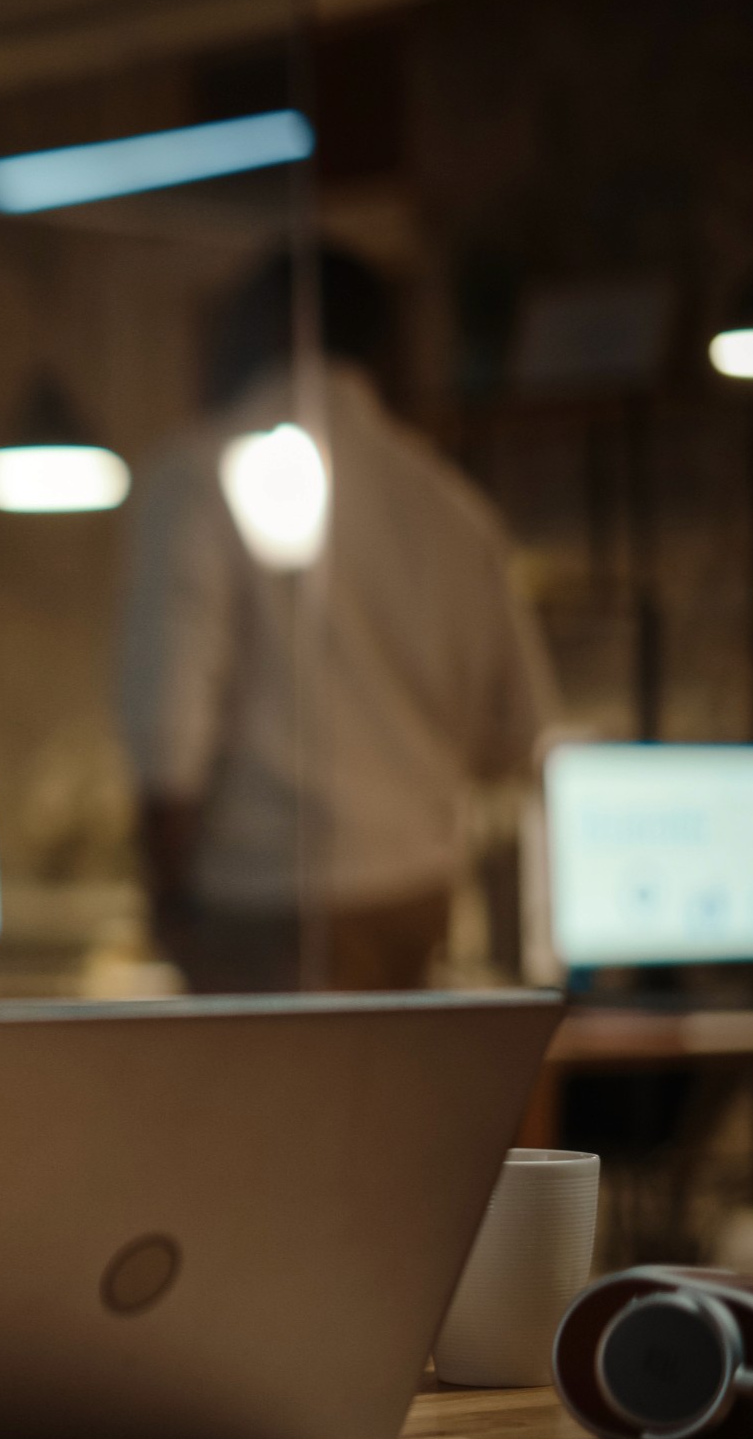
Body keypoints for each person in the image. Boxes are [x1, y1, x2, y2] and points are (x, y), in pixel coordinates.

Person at [115, 249, 556, 994]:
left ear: (257, 331)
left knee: (272, 1113)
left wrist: (168, 904)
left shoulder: (198, 477)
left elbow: (170, 722)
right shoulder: (447, 503)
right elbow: (514, 731)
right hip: (415, 891)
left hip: (263, 900)